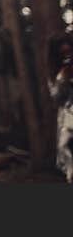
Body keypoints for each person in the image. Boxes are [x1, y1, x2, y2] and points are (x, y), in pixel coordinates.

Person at [49, 35, 73, 182]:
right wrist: (63, 78)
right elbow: (56, 98)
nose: (67, 57)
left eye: (69, 52)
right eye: (63, 54)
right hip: (68, 120)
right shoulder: (56, 74)